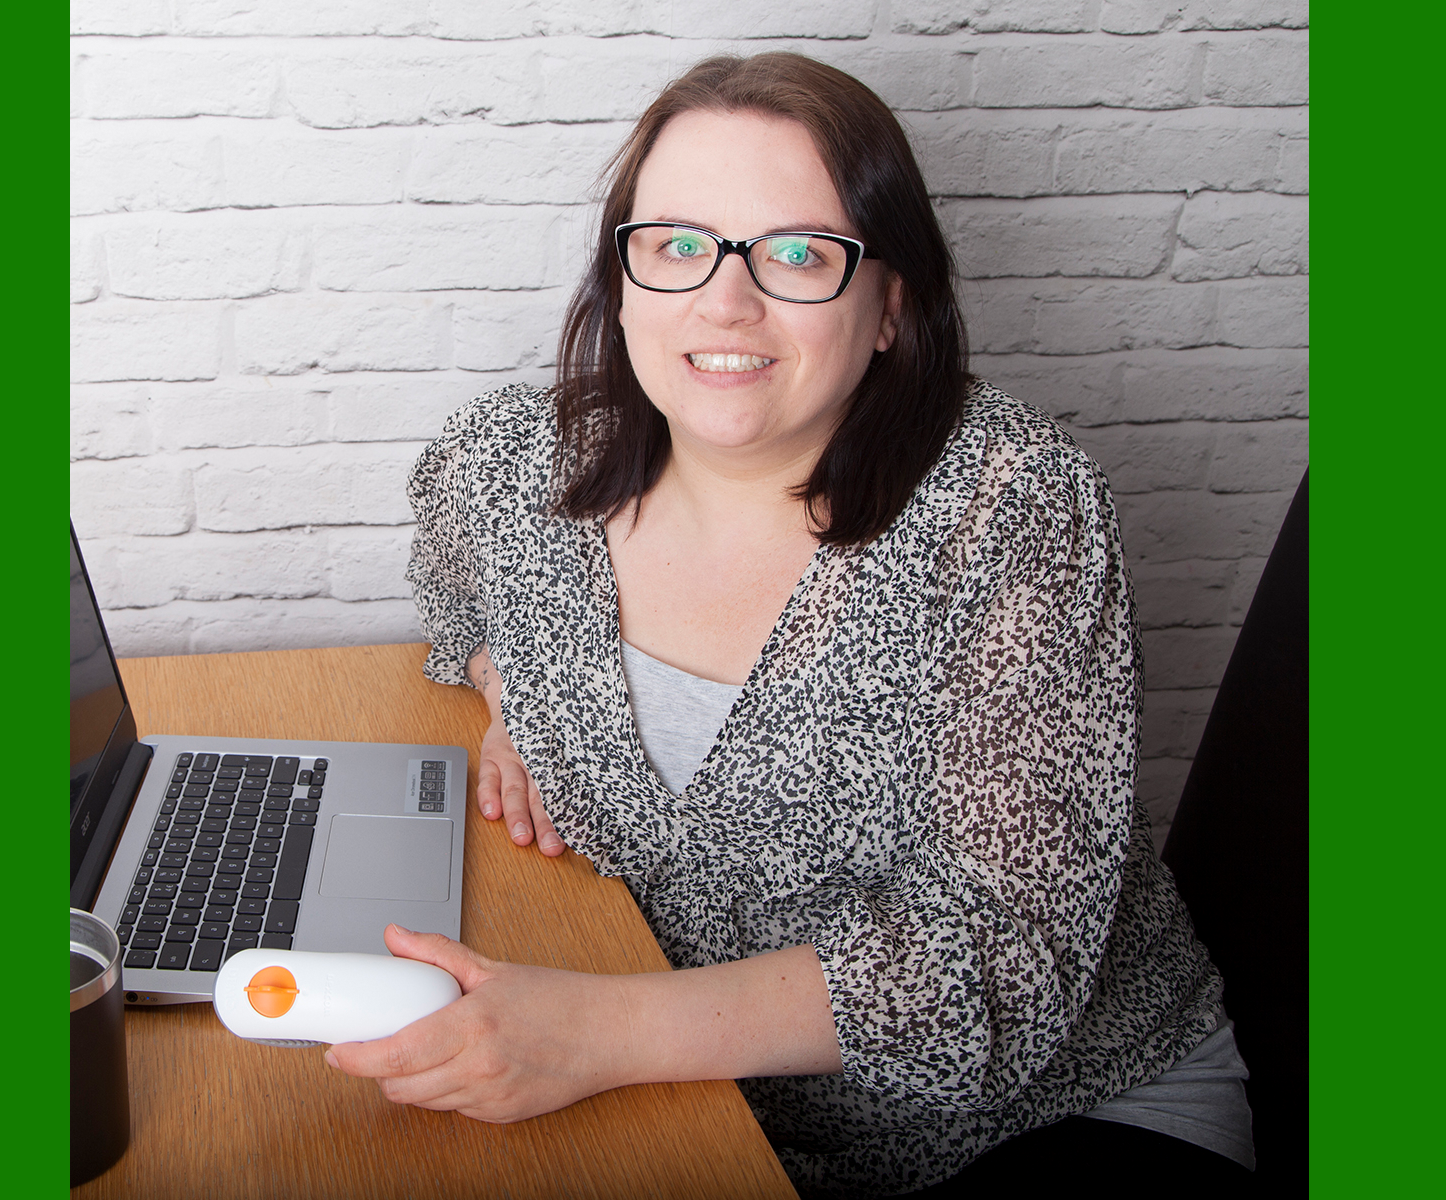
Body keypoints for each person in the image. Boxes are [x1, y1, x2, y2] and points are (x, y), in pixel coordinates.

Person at [325, 52, 1253, 1197]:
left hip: (1047, 1116)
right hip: (715, 1116)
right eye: (675, 245)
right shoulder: (518, 463)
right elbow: (448, 565)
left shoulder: (1013, 512)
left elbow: (1001, 967)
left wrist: (597, 1034)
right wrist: (502, 678)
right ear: (622, 277)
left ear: (887, 308)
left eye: (799, 254)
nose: (723, 302)